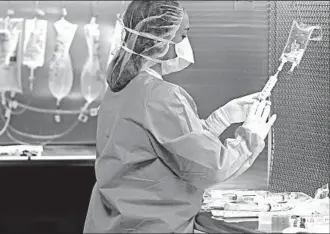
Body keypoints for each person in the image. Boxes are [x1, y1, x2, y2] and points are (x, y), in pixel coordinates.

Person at [84, 1, 277, 233]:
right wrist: (250, 137)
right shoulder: (159, 96)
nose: (186, 43)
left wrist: (220, 119)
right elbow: (212, 167)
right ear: (160, 40)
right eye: (183, 34)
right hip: (151, 226)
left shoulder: (120, 88)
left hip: (113, 224)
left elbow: (170, 145)